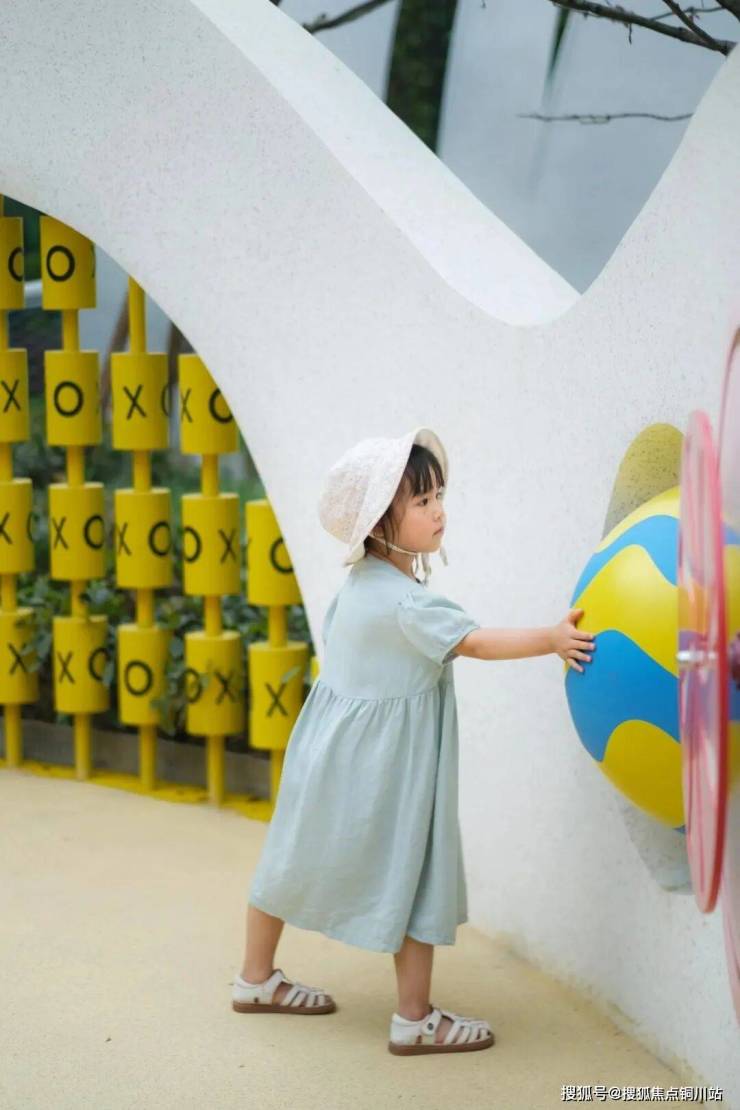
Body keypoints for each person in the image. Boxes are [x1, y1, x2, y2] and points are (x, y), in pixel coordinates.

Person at [231, 427, 595, 1056]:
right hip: (387, 769)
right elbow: (476, 643)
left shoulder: (360, 588)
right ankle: (414, 1018)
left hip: (325, 755)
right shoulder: (406, 603)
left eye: (438, 496)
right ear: (379, 523)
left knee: (289, 857)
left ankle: (255, 979)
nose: (438, 511)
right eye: (422, 502)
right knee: (415, 867)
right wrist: (552, 639)